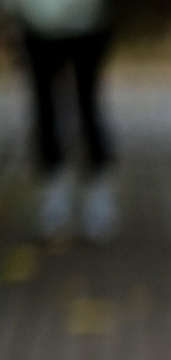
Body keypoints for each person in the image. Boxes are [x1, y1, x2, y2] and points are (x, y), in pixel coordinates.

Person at [11, 0, 115, 243]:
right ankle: (55, 195)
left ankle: (97, 193)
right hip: (39, 25)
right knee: (45, 108)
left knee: (87, 106)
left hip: (88, 23)